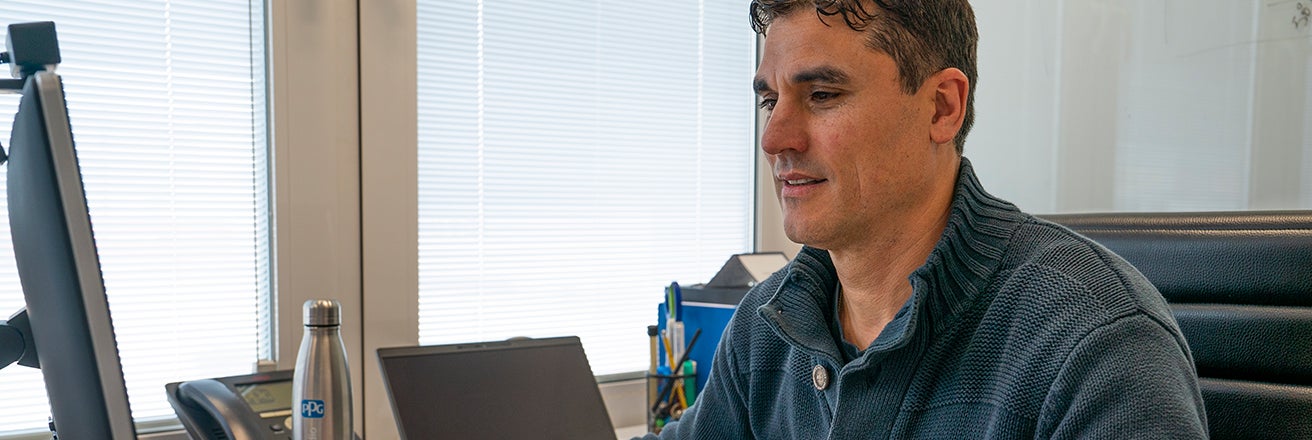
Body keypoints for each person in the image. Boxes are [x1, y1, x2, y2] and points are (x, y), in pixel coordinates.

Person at [641, 0, 1208, 438]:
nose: (774, 138)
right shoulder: (768, 327)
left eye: (822, 94)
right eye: (771, 100)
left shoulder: (1097, 343)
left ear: (942, 107)